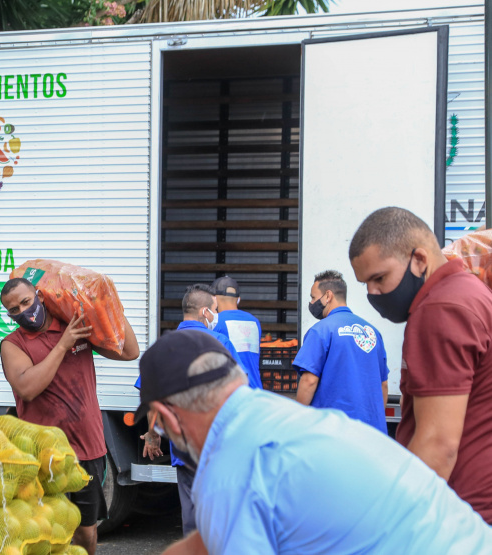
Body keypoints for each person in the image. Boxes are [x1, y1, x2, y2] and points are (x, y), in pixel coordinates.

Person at [133, 330, 492, 555]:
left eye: (158, 423)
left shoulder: (229, 472)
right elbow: (205, 544)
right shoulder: (275, 417)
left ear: (169, 414)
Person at [349, 206, 492, 522]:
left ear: (419, 260)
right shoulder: (470, 291)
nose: (373, 294)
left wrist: (388, 522)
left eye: (379, 278)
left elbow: (437, 444)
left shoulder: (440, 309)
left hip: (455, 515)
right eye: (365, 285)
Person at [0, 277, 139, 555]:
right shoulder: (13, 344)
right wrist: (63, 345)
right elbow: (28, 388)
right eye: (14, 310)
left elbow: (129, 352)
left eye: (26, 302)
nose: (23, 312)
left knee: (86, 532)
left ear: (38, 295)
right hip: (44, 457)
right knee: (49, 532)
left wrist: (109, 306)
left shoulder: (74, 327)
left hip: (88, 449)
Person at [135, 284, 249, 537]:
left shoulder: (162, 347)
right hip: (219, 445)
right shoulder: (221, 343)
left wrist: (153, 435)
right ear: (205, 312)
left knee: (192, 515)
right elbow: (241, 391)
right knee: (222, 516)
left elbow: (151, 397)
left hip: (184, 447)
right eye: (216, 311)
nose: (216, 316)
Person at [292, 270, 390, 433]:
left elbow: (309, 381)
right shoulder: (372, 332)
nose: (311, 302)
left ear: (327, 296)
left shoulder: (320, 331)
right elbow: (383, 384)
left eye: (313, 297)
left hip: (334, 431)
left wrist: (297, 422)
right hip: (371, 431)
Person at [210, 276, 262, 389]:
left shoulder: (214, 322)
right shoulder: (254, 321)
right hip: (255, 389)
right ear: (238, 299)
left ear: (213, 298)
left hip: (231, 392)